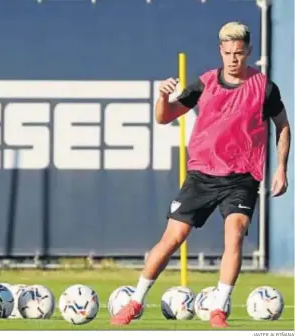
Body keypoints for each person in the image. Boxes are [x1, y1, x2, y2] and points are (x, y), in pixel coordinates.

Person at [110, 21, 291, 328]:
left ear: (249, 51)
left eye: (239, 52)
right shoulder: (205, 83)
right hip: (202, 175)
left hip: (241, 177)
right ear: (220, 51)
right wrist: (162, 98)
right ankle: (134, 302)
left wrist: (282, 168)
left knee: (234, 235)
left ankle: (218, 309)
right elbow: (164, 118)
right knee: (172, 239)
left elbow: (283, 125)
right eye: (228, 52)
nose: (233, 58)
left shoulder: (265, 88)